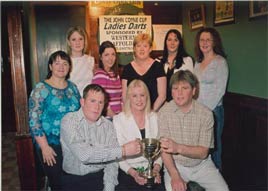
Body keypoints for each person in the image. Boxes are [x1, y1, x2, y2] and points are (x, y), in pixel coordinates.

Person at [60, 84, 142, 191]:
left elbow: (112, 163)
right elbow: (84, 155)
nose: (97, 107)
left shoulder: (108, 125)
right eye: (92, 101)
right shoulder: (69, 121)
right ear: (82, 102)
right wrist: (123, 151)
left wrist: (108, 188)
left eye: (100, 102)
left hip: (100, 178)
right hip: (73, 180)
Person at [158, 70, 229, 191]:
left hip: (202, 165)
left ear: (194, 91)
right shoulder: (164, 112)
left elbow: (203, 152)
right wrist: (175, 175)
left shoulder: (206, 114)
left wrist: (177, 148)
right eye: (175, 88)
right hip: (176, 165)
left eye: (185, 88)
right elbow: (164, 151)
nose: (179, 93)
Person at [28, 50, 81, 190]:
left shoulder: (73, 88)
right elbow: (34, 121)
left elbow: (80, 114)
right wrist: (44, 147)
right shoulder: (40, 89)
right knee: (58, 183)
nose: (61, 66)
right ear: (50, 66)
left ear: (69, 67)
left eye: (65, 63)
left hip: (72, 143)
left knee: (73, 181)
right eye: (57, 63)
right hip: (50, 144)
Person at [113, 80, 164, 191]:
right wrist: (133, 173)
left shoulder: (155, 117)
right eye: (134, 96)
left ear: (147, 97)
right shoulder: (118, 120)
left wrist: (156, 169)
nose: (139, 100)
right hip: (128, 171)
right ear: (128, 98)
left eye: (142, 95)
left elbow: (160, 150)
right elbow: (118, 154)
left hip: (152, 169)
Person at [193, 27, 229, 171]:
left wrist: (205, 111)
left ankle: (216, 178)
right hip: (197, 111)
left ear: (214, 42)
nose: (205, 42)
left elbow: (220, 91)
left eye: (208, 39)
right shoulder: (197, 62)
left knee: (214, 147)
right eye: (202, 40)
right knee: (200, 147)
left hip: (213, 112)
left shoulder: (220, 62)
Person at [121, 33, 166, 112]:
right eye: (138, 46)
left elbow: (162, 96)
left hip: (154, 112)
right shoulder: (127, 69)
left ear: (150, 49)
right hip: (133, 113)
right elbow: (125, 96)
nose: (142, 49)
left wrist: (151, 112)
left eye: (145, 46)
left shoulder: (158, 67)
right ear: (134, 48)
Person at [159, 29, 194, 102]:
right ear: (165, 42)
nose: (172, 43)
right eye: (169, 40)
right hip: (162, 104)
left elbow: (189, 85)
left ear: (180, 43)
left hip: (180, 102)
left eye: (176, 40)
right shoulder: (158, 61)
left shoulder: (187, 60)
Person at [92, 41, 122, 119]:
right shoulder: (100, 75)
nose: (110, 58)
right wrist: (116, 119)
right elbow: (101, 101)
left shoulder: (115, 75)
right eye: (106, 55)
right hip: (107, 119)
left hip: (118, 117)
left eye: (113, 54)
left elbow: (120, 98)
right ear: (101, 57)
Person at [66, 26, 95, 96]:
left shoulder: (91, 60)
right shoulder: (65, 61)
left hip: (88, 102)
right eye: (74, 39)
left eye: (80, 39)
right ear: (69, 42)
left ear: (84, 41)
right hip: (71, 102)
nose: (77, 42)